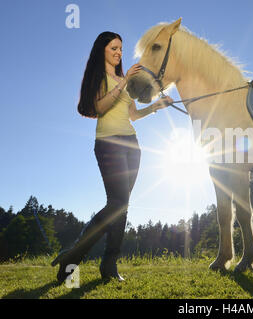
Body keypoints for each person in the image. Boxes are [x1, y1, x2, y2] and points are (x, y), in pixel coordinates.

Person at [51, 31, 172, 283]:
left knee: (122, 206)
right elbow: (99, 107)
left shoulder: (122, 78)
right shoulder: (100, 77)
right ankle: (74, 255)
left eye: (120, 48)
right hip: (108, 144)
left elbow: (133, 115)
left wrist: (155, 107)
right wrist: (125, 80)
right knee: (117, 204)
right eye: (113, 48)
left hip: (132, 145)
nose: (119, 53)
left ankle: (108, 265)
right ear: (102, 50)